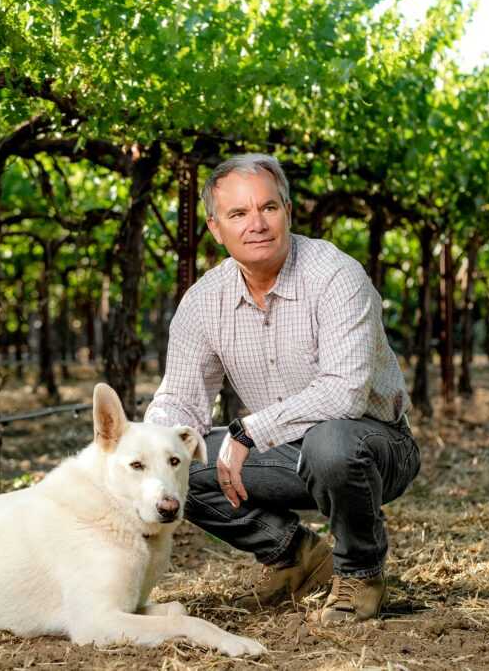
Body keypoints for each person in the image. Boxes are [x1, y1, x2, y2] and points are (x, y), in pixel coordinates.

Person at [144, 153, 420, 624]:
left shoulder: (335, 274)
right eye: (238, 213)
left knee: (330, 442)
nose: (257, 224)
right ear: (215, 228)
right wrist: (145, 453)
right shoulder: (204, 301)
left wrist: (247, 432)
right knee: (176, 462)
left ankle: (360, 574)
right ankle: (295, 557)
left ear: (287, 211)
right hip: (281, 452)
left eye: (268, 208)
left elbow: (344, 394)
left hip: (373, 446)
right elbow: (179, 401)